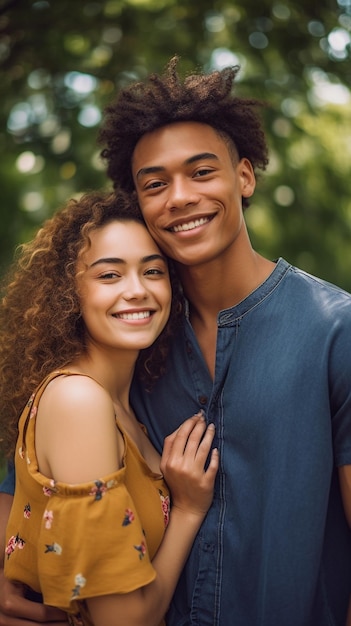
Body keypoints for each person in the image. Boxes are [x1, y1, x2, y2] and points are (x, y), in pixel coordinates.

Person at [1, 56, 351, 626]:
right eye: (155, 184)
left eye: (202, 172)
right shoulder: (131, 340)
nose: (180, 197)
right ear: (138, 203)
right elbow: (27, 495)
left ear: (245, 176)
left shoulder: (335, 331)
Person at [0, 188, 218, 626]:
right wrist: (190, 510)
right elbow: (124, 620)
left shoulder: (121, 402)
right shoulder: (78, 401)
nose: (137, 291)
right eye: (109, 275)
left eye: (152, 271)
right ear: (69, 292)